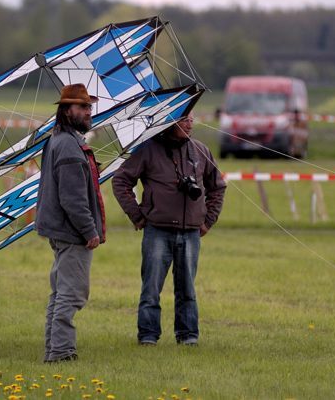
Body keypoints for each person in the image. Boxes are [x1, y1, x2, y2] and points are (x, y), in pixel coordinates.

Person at [112, 111, 225, 346]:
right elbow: (121, 181)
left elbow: (218, 187)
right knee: (151, 288)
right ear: (171, 120)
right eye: (185, 119)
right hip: (157, 230)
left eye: (193, 119)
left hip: (191, 232)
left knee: (188, 290)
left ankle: (188, 336)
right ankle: (148, 336)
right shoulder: (147, 149)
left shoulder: (201, 150)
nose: (191, 123)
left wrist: (207, 220)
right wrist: (136, 214)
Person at [35, 83, 106, 363]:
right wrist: (90, 231)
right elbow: (73, 199)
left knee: (61, 294)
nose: (89, 112)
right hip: (72, 232)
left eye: (89, 107)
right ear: (66, 111)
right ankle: (61, 353)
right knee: (72, 294)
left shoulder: (61, 140)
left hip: (60, 229)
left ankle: (55, 350)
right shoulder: (68, 145)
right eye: (82, 107)